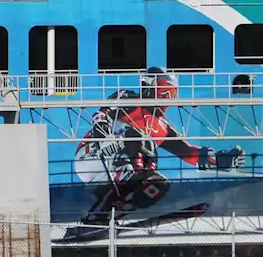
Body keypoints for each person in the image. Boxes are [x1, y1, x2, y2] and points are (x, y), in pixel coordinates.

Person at [73, 68, 245, 226]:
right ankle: (131, 176)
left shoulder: (161, 126)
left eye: (171, 94)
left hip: (113, 168)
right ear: (149, 86)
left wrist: (220, 160)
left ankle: (103, 214)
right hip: (92, 155)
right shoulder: (129, 99)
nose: (167, 99)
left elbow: (186, 152)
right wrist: (103, 134)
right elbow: (102, 115)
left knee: (157, 183)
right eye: (164, 92)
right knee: (141, 138)